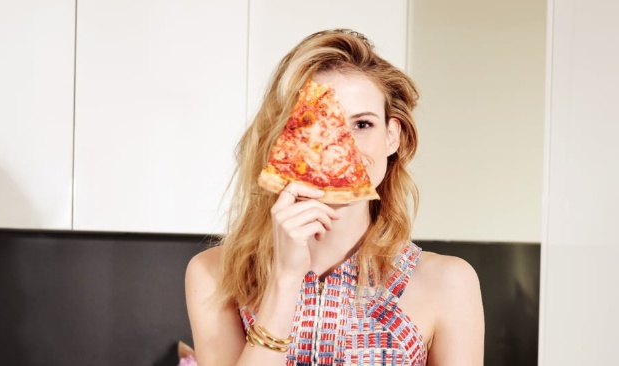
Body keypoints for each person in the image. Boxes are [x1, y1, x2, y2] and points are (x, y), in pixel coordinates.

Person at [185, 29, 484, 366]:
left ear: (392, 136)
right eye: (316, 124)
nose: (339, 146)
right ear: (284, 136)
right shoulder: (213, 274)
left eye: (362, 124)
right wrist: (284, 281)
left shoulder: (449, 282)